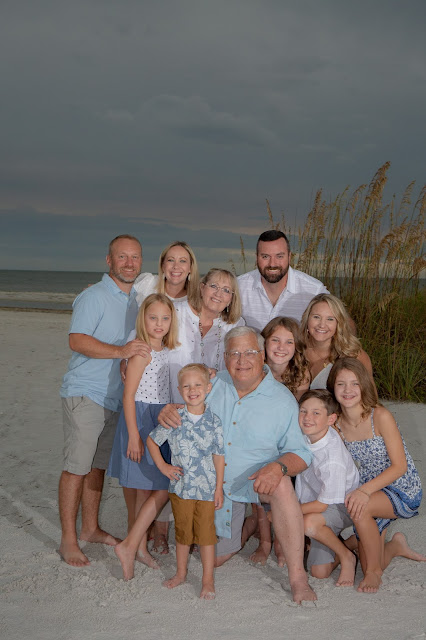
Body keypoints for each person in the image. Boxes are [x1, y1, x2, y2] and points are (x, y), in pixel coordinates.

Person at [158, 326, 317, 604]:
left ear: (263, 356)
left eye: (249, 352)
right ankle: (254, 523)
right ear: (224, 358)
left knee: (281, 487)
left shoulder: (282, 400)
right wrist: (170, 409)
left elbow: (302, 454)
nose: (241, 360)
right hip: (212, 486)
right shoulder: (211, 385)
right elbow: (186, 408)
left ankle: (297, 578)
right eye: (234, 353)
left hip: (255, 481)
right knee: (215, 558)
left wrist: (278, 467)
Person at [58, 234, 149, 567]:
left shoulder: (137, 298)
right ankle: (68, 540)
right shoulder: (93, 296)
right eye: (122, 257)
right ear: (109, 261)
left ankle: (90, 527)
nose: (129, 263)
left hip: (115, 397)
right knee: (76, 468)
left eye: (135, 257)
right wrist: (120, 352)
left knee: (97, 467)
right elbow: (76, 339)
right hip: (86, 393)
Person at [114, 363, 225, 599]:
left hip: (206, 491)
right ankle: (181, 573)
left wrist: (218, 489)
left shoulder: (214, 421)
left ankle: (207, 580)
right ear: (179, 389)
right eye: (186, 386)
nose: (192, 390)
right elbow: (153, 442)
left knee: (206, 537)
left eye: (197, 385)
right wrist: (163, 467)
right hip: (180, 488)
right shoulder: (176, 418)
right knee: (183, 534)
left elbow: (219, 456)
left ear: (208, 388)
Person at [327, 357, 425, 593]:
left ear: (364, 386)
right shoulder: (336, 424)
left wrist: (363, 491)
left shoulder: (379, 416)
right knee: (376, 556)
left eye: (355, 384)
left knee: (360, 506)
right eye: (341, 384)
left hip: (401, 487)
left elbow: (399, 466)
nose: (348, 390)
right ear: (333, 388)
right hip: (370, 488)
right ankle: (395, 546)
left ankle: (373, 574)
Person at [107, 293, 179, 568]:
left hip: (160, 421)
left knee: (154, 488)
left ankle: (134, 545)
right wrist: (134, 435)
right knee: (144, 489)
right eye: (153, 318)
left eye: (165, 318)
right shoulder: (140, 352)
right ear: (143, 320)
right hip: (139, 420)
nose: (159, 324)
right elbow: (128, 397)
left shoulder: (168, 351)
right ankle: (134, 547)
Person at [244, 317, 310, 566]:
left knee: (287, 492)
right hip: (259, 439)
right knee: (259, 497)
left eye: (289, 342)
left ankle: (283, 543)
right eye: (275, 340)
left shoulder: (300, 373)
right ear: (264, 343)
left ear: (296, 347)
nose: (281, 347)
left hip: (288, 442)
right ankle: (265, 541)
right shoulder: (254, 369)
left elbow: (297, 414)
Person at [296, 389, 359, 586]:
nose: (307, 418)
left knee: (308, 523)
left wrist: (290, 511)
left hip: (339, 506)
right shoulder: (307, 434)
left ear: (331, 419)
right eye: (303, 411)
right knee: (320, 572)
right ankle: (351, 542)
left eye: (316, 413)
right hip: (315, 502)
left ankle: (346, 555)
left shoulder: (332, 459)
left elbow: (323, 505)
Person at [237, 230, 329, 331]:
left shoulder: (314, 290)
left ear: (289, 257)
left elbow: (343, 323)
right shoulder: (238, 287)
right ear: (256, 258)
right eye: (265, 256)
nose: (272, 264)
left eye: (279, 256)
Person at [300, 293, 372, 389]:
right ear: (307, 319)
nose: (322, 325)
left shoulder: (355, 356)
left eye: (330, 319)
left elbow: (371, 399)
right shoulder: (294, 350)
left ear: (339, 323)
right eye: (316, 317)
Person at [133, 240, 199, 306]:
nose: (176, 266)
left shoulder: (198, 299)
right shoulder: (147, 283)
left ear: (191, 267)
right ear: (163, 265)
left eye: (182, 261)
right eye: (170, 260)